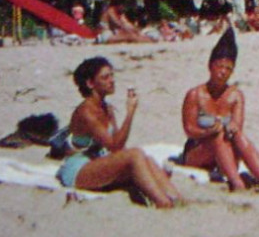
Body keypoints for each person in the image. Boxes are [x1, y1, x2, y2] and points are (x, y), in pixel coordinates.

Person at [55, 57, 183, 207]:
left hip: (96, 160)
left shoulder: (106, 108)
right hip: (78, 169)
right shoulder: (86, 112)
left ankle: (176, 198)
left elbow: (118, 144)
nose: (112, 80)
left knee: (146, 159)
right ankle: (163, 202)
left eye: (112, 75)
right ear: (90, 83)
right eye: (105, 77)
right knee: (135, 154)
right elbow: (114, 146)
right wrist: (130, 113)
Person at [179, 28, 259, 192]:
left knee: (234, 133)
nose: (223, 72)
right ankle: (237, 185)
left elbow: (237, 125)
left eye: (228, 69)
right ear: (211, 66)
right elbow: (189, 130)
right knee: (217, 135)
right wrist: (208, 132)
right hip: (198, 151)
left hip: (226, 152)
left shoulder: (235, 96)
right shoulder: (195, 94)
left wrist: (232, 127)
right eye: (220, 66)